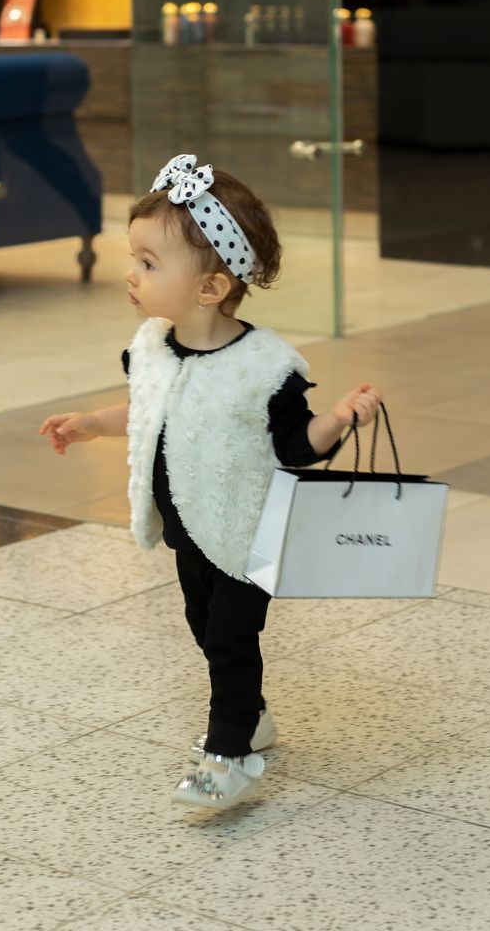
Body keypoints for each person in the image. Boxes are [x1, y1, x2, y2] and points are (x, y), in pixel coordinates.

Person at [40, 153, 380, 810]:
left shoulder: (264, 367)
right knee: (203, 626)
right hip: (190, 531)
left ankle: (230, 755)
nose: (131, 274)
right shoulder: (152, 347)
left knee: (229, 640)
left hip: (249, 534)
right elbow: (149, 410)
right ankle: (250, 716)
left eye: (148, 263)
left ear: (211, 287)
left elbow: (294, 445)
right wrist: (92, 424)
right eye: (134, 258)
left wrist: (337, 419)